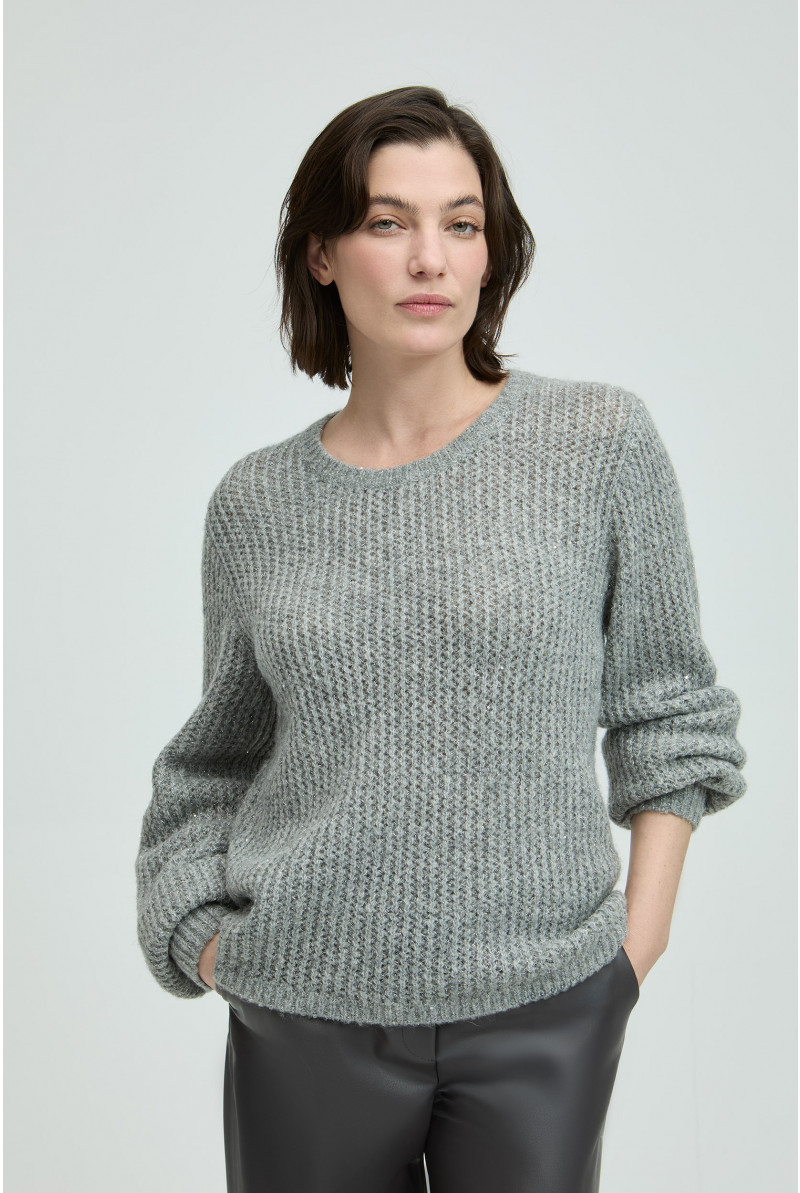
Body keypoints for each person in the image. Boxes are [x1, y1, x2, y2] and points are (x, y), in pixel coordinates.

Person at [135, 85, 748, 1193]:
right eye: (388, 221)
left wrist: (631, 950)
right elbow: (213, 761)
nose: (430, 258)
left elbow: (669, 713)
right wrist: (208, 941)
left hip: (545, 1008)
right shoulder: (256, 503)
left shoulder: (597, 443)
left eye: (460, 224)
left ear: (489, 250)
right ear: (322, 254)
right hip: (305, 1013)